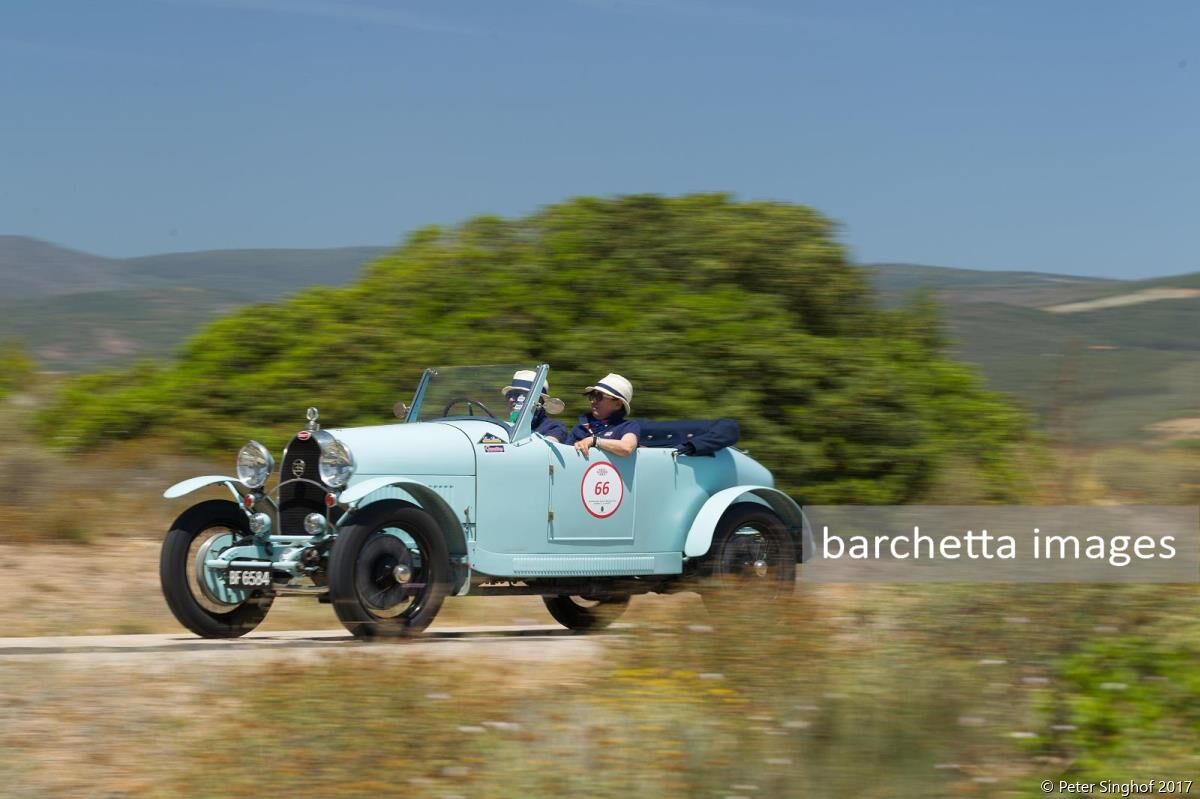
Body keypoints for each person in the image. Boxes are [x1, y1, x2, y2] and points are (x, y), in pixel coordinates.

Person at [570, 373, 640, 457]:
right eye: (592, 395)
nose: (593, 401)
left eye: (599, 396)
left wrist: (595, 441)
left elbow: (627, 448)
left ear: (618, 404)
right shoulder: (579, 428)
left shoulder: (628, 426)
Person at [503, 370, 568, 443]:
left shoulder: (554, 427)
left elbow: (545, 450)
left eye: (518, 395)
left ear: (538, 401)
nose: (511, 399)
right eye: (509, 395)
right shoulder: (508, 425)